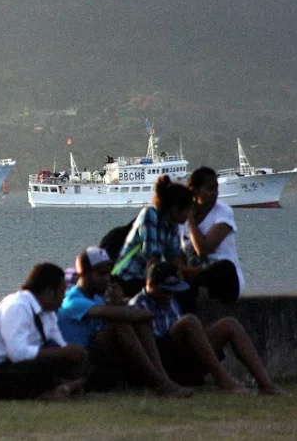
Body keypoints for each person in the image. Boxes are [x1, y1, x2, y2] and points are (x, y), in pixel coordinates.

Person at [129, 261, 286, 395]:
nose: (169, 295)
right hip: (163, 361)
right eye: (166, 290)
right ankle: (225, 382)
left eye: (173, 291)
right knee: (189, 321)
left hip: (186, 357)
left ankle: (266, 384)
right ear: (150, 285)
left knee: (229, 324)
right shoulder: (137, 305)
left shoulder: (171, 301)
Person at [57, 247, 192, 397]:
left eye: (108, 273)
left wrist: (121, 305)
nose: (107, 278)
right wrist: (131, 310)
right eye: (100, 274)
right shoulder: (73, 300)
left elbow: (122, 314)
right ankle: (161, 383)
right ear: (83, 274)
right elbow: (111, 314)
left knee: (137, 321)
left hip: (96, 359)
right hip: (77, 363)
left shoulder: (96, 298)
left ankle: (163, 380)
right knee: (120, 324)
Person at [0, 263, 89, 400]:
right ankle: (54, 391)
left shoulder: (48, 313)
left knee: (80, 362)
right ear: (49, 293)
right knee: (40, 367)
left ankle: (61, 388)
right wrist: (60, 352)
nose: (63, 297)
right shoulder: (17, 306)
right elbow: (17, 353)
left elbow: (58, 344)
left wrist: (72, 354)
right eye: (62, 292)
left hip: (18, 365)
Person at [176, 166, 244, 313]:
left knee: (225, 266)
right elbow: (179, 253)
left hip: (226, 281)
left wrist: (191, 220)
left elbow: (204, 249)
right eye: (210, 189)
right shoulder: (180, 219)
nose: (215, 194)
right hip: (196, 279)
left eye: (216, 188)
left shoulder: (223, 212)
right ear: (195, 191)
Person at [111, 175, 191, 297]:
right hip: (129, 278)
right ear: (175, 209)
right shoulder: (150, 214)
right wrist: (151, 288)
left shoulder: (172, 224)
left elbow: (173, 255)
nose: (189, 214)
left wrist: (186, 274)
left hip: (147, 275)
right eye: (187, 209)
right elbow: (152, 256)